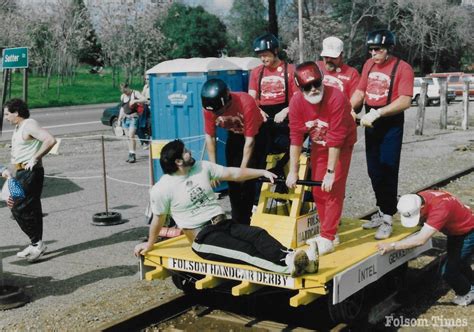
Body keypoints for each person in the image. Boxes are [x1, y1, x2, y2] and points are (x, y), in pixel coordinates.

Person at [133, 139, 318, 277]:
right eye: (185, 152)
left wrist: (262, 172)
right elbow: (158, 219)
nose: (190, 152)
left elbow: (233, 173)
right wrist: (149, 244)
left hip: (223, 224)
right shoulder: (161, 189)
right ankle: (289, 268)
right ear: (178, 162)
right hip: (202, 237)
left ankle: (296, 258)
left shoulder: (201, 167)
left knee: (257, 234)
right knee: (246, 251)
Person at [286, 62, 357, 255]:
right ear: (300, 88)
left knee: (332, 187)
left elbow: (336, 138)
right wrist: (293, 171)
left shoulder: (337, 98)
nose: (314, 89)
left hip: (341, 145)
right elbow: (296, 138)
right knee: (318, 190)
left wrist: (331, 172)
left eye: (316, 83)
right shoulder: (296, 103)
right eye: (308, 86)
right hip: (319, 144)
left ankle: (327, 236)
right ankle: (330, 233)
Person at [350, 29, 414, 240]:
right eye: (371, 50)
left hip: (390, 121)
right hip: (371, 121)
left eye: (378, 49)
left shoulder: (402, 68)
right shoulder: (369, 65)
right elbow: (360, 91)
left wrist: (379, 112)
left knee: (388, 168)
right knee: (374, 170)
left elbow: (405, 100)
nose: (373, 54)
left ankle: (388, 216)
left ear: (388, 49)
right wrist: (350, 109)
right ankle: (381, 209)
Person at [378, 191, 474, 306]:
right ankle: (471, 283)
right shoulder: (420, 197)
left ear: (422, 206)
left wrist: (392, 246)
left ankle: (466, 292)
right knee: (458, 262)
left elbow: (421, 240)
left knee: (448, 272)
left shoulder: (440, 209)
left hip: (468, 233)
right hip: (457, 231)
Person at [202, 78, 264, 225]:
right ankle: (238, 221)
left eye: (219, 111)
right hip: (235, 136)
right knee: (233, 181)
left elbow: (250, 142)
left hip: (257, 135)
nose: (216, 114)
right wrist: (213, 168)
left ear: (227, 101)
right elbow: (210, 137)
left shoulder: (245, 102)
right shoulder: (209, 108)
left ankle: (250, 218)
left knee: (248, 180)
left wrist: (242, 171)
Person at [2, 98, 57, 262]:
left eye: (7, 114)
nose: (5, 117)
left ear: (16, 113)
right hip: (20, 172)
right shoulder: (19, 127)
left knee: (18, 207)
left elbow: (50, 140)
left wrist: (35, 157)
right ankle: (36, 243)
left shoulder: (29, 124)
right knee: (25, 206)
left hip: (30, 172)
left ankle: (37, 244)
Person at [249, 33, 298, 177]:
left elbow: (297, 99)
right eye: (260, 55)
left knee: (287, 152)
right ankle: (257, 194)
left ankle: (285, 191)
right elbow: (251, 98)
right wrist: (257, 110)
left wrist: (285, 111)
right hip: (263, 117)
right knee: (259, 153)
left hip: (284, 117)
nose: (263, 58)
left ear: (275, 51)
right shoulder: (256, 72)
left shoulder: (290, 70)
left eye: (266, 55)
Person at [317, 36, 360, 100]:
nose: (329, 60)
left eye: (333, 57)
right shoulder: (316, 67)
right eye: (326, 57)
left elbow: (355, 98)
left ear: (341, 55)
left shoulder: (351, 73)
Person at [117, 83, 145, 163]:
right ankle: (130, 153)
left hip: (133, 118)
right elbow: (122, 108)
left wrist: (136, 100)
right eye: (123, 92)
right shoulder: (122, 96)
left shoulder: (135, 93)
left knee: (131, 135)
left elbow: (144, 100)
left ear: (128, 87)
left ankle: (133, 154)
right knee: (128, 138)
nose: (125, 93)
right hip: (125, 118)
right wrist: (119, 119)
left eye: (126, 91)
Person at [136, 75, 151, 149]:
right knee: (138, 125)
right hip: (144, 108)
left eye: (148, 79)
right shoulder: (145, 87)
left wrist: (147, 101)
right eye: (146, 79)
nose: (147, 80)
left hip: (150, 108)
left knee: (147, 125)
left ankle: (147, 140)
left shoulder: (153, 86)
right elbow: (142, 97)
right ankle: (145, 141)